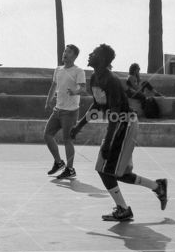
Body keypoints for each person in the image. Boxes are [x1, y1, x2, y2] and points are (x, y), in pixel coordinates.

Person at [70, 44, 167, 222]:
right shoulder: (95, 79)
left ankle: (123, 209)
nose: (90, 54)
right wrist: (79, 126)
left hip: (125, 124)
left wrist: (107, 143)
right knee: (115, 172)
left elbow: (114, 115)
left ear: (103, 60)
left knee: (106, 169)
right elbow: (97, 106)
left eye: (95, 53)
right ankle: (157, 186)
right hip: (118, 125)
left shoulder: (111, 80)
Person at [43, 44, 86, 180]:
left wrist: (75, 92)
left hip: (71, 112)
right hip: (58, 110)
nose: (65, 54)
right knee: (47, 135)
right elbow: (53, 86)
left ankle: (70, 169)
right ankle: (58, 162)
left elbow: (83, 88)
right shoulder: (58, 70)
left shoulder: (78, 71)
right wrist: (48, 100)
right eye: (64, 51)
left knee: (67, 140)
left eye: (68, 52)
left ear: (74, 56)